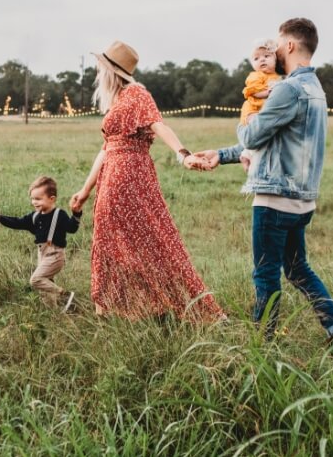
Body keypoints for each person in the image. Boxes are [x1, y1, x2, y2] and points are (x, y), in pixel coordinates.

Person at [192, 18, 333, 347]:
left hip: (274, 199)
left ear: (291, 46)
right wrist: (222, 155)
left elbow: (253, 134)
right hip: (302, 200)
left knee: (265, 273)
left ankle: (261, 347)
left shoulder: (287, 88)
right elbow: (274, 142)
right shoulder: (315, 89)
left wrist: (247, 117)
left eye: (279, 45)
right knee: (297, 270)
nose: (275, 51)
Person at [70, 40, 226, 322]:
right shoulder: (117, 100)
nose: (96, 74)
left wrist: (183, 155)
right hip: (113, 176)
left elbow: (158, 124)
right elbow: (106, 149)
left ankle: (158, 304)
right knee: (110, 240)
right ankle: (115, 307)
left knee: (150, 240)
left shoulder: (136, 93)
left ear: (111, 71)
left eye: (100, 68)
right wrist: (84, 190)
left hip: (129, 176)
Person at [0, 176, 81, 311]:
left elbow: (72, 228)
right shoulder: (35, 217)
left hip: (55, 254)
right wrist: (0, 218)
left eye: (38, 199)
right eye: (32, 199)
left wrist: (76, 214)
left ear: (52, 199)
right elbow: (17, 222)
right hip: (42, 254)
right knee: (46, 287)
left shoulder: (59, 214)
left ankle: (65, 295)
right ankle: (53, 312)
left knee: (36, 280)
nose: (34, 202)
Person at [239, 39, 282, 169]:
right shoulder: (256, 76)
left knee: (265, 135)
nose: (262, 60)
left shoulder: (278, 76)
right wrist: (268, 92)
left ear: (275, 59)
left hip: (265, 110)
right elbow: (254, 91)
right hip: (253, 109)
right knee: (257, 129)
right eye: (256, 58)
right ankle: (248, 155)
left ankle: (247, 154)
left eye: (266, 56)